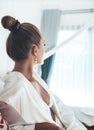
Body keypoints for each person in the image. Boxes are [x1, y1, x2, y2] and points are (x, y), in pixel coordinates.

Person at [0, 15, 87, 130]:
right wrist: (36, 127)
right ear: (35, 50)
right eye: (44, 44)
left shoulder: (34, 76)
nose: (44, 49)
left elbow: (58, 108)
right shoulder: (15, 84)